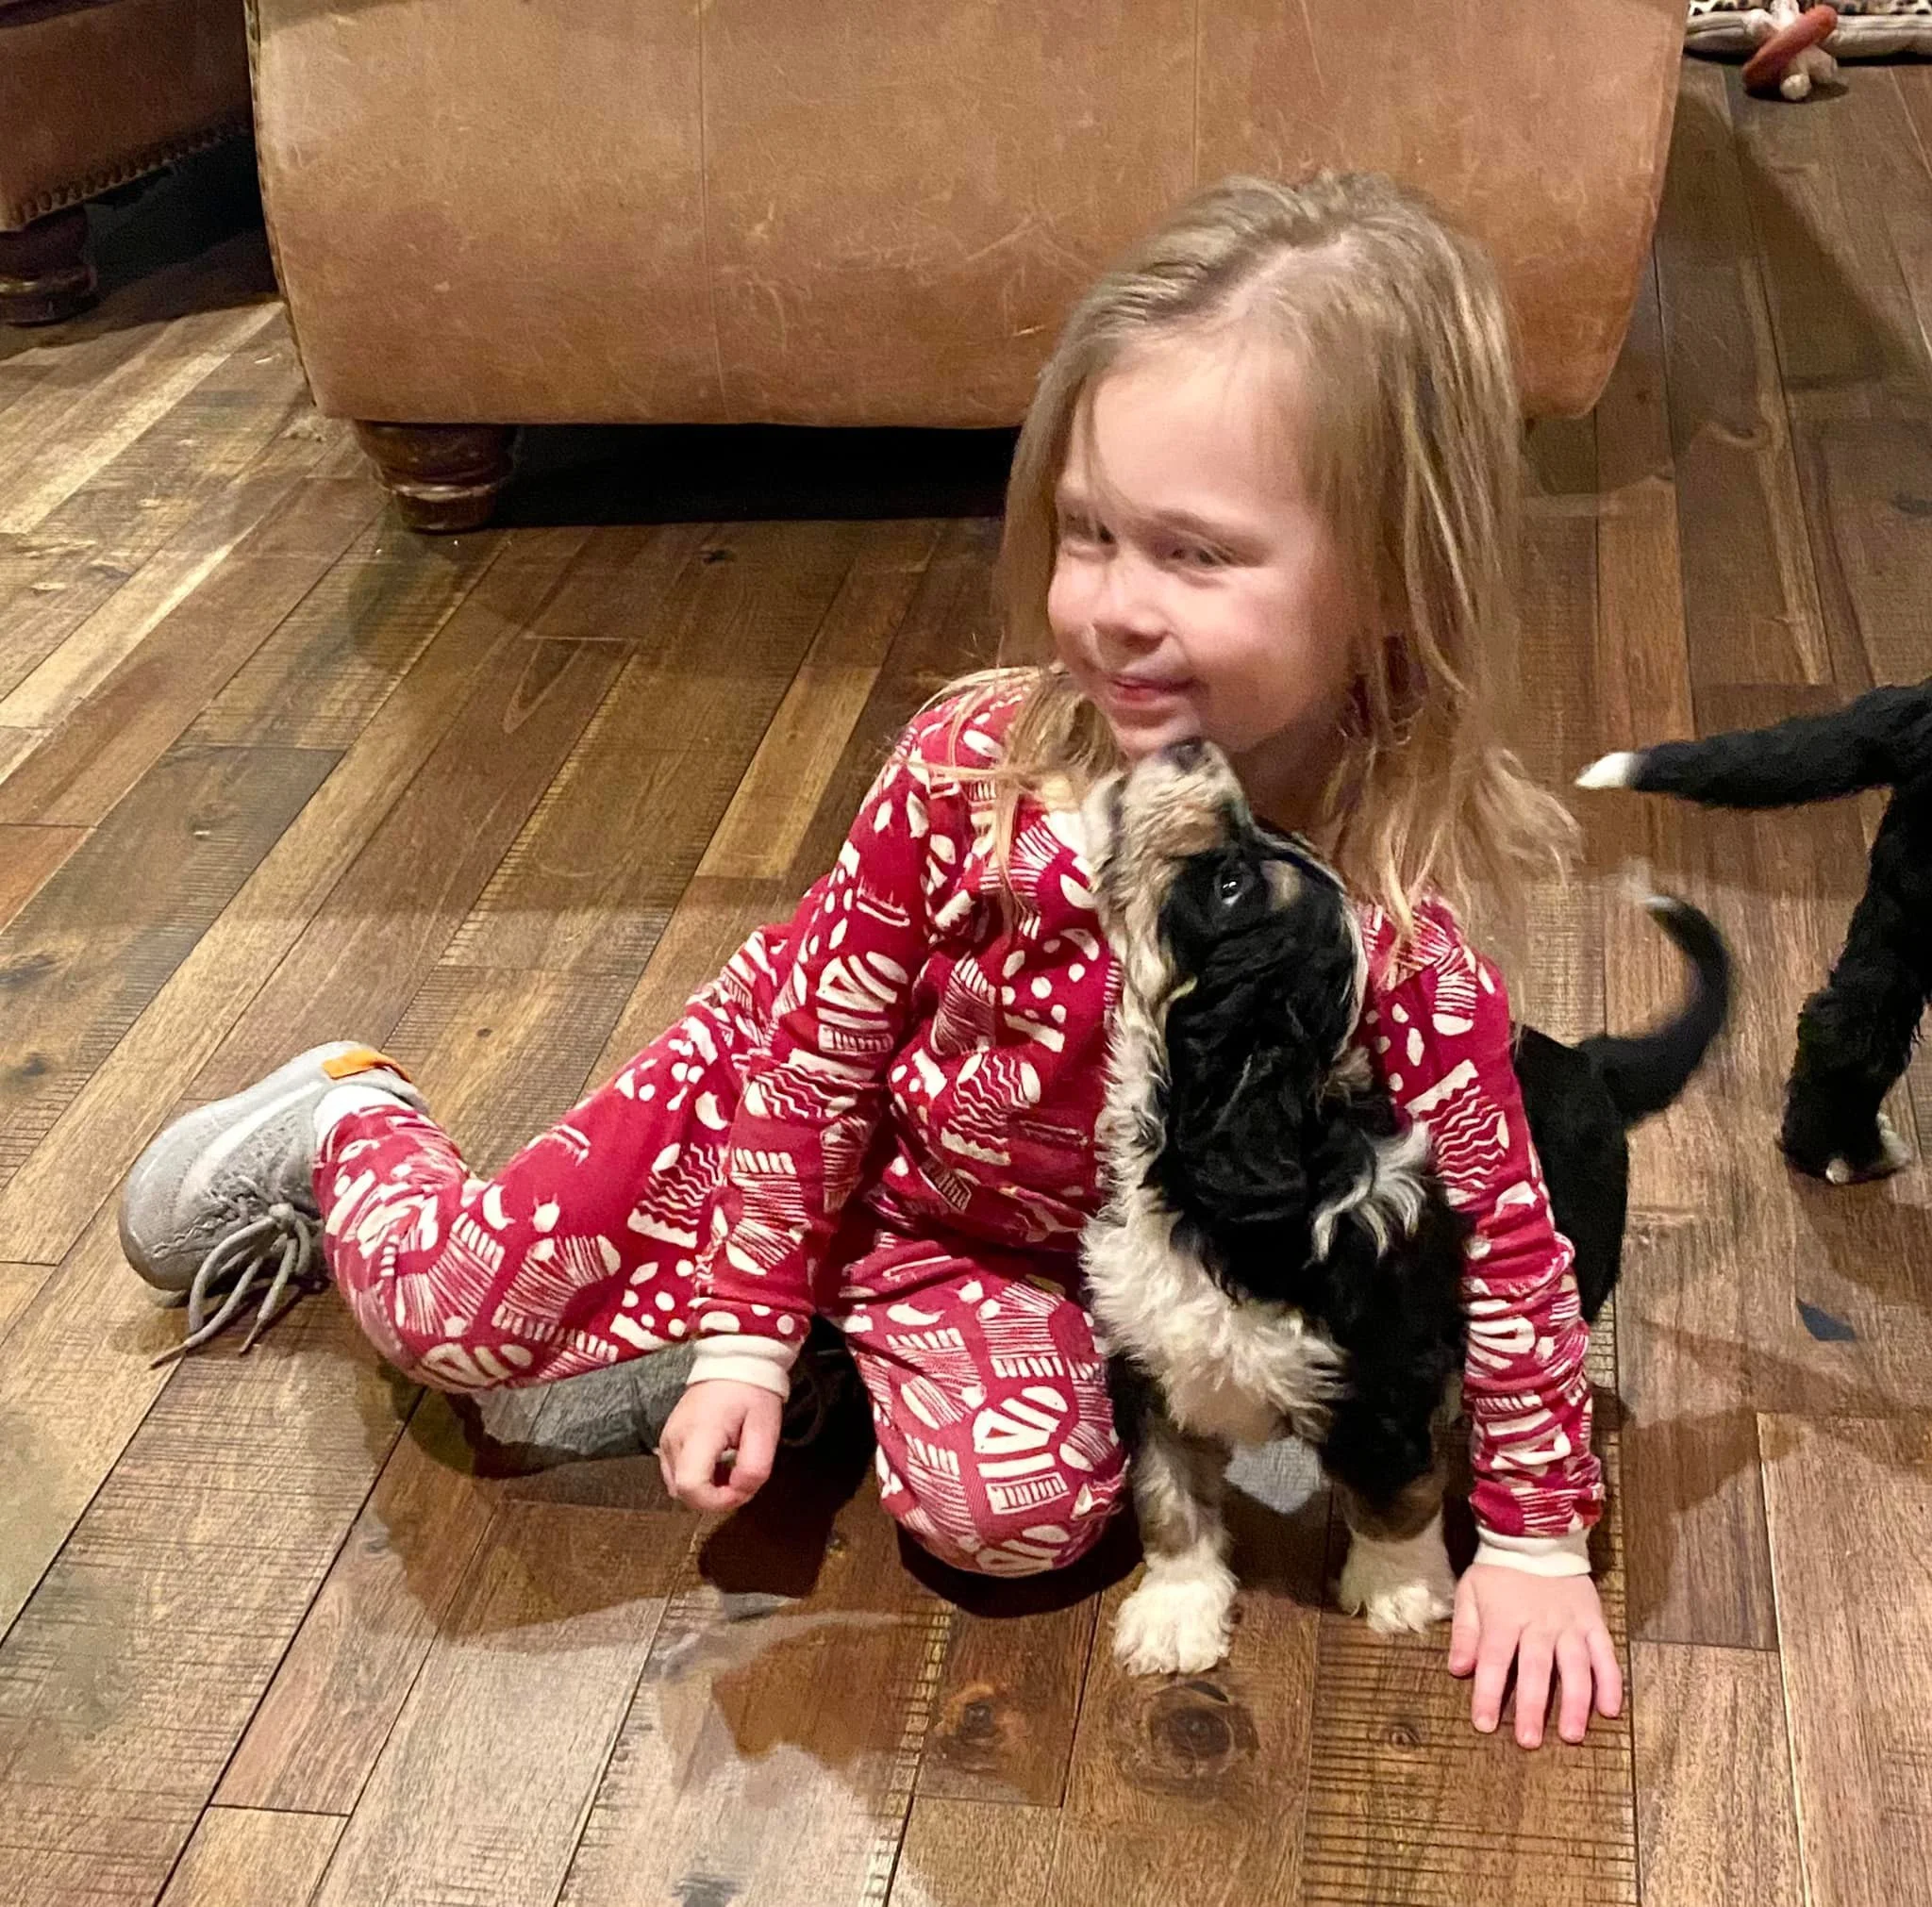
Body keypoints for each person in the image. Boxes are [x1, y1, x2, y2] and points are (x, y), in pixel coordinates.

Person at [119, 172, 1618, 1749]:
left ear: (1392, 581)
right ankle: (348, 1122)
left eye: (1193, 553)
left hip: (1007, 1253)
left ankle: (849, 1334)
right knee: (460, 1317)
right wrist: (750, 1325)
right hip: (772, 1104)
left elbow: (1505, 1242)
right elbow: (814, 1061)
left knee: (1019, 1522)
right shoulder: (971, 766)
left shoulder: (1394, 929)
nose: (1109, 605)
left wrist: (1531, 1531)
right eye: (1087, 531)